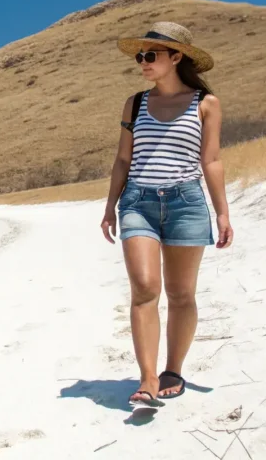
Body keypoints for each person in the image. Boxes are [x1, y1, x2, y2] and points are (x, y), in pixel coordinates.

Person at [99, 21, 234, 408]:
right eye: (140, 56)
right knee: (144, 288)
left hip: (186, 203)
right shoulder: (135, 103)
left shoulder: (206, 104)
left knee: (180, 293)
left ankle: (173, 369)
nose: (142, 62)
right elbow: (123, 158)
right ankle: (147, 379)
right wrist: (110, 206)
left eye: (150, 55)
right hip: (137, 203)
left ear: (176, 57)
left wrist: (222, 214)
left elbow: (211, 160)